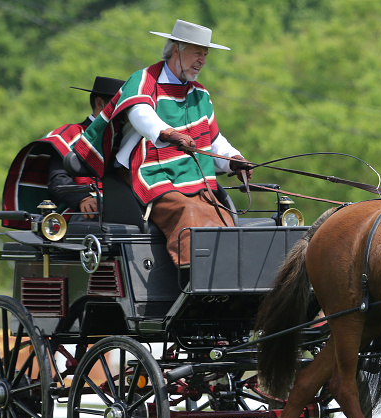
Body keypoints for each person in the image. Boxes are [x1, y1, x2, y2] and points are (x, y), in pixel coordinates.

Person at [73, 19, 253, 266]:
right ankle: (192, 278)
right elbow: (140, 114)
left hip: (191, 176)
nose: (202, 60)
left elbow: (211, 139)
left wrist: (234, 160)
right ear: (176, 49)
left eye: (205, 54)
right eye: (197, 52)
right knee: (186, 211)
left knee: (221, 215)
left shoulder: (200, 93)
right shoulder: (144, 79)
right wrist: (168, 134)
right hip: (147, 171)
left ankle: (226, 277)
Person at [2, 76, 125, 226]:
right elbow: (58, 179)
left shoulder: (125, 137)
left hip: (122, 205)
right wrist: (82, 198)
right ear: (100, 103)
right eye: (119, 105)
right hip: (79, 210)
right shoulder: (69, 136)